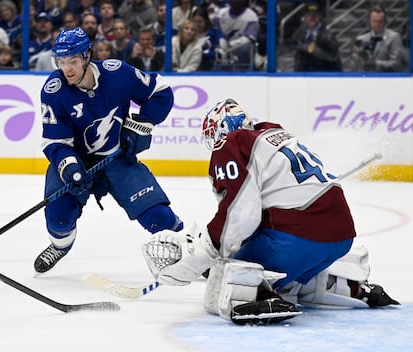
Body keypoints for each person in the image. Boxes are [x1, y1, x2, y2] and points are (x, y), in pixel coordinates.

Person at [142, 98, 400, 325]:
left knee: (226, 274)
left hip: (298, 237)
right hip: (341, 237)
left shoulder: (232, 143)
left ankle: (262, 295)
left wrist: (209, 252)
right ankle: (348, 287)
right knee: (290, 281)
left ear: (221, 130)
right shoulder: (274, 135)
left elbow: (240, 213)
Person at [34, 27, 184, 273]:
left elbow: (160, 92)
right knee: (58, 217)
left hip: (117, 158)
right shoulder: (54, 91)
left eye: (72, 61)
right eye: (61, 62)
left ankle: (191, 251)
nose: (67, 69)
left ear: (87, 56)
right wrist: (69, 166)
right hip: (78, 161)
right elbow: (55, 142)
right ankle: (60, 246)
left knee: (158, 216)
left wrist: (142, 124)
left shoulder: (117, 73)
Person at [351, 4, 408, 72]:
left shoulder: (394, 37)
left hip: (387, 80)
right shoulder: (361, 39)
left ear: (385, 21)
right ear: (369, 21)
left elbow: (397, 64)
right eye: (374, 21)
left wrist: (375, 63)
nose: (377, 25)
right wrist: (356, 59)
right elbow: (354, 67)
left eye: (380, 21)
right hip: (365, 79)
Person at [289, 1, 341, 72]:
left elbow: (334, 58)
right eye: (310, 15)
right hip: (302, 76)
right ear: (305, 17)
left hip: (322, 76)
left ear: (320, 17)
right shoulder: (299, 34)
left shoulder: (328, 36)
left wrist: (316, 51)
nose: (312, 18)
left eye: (315, 15)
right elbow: (291, 46)